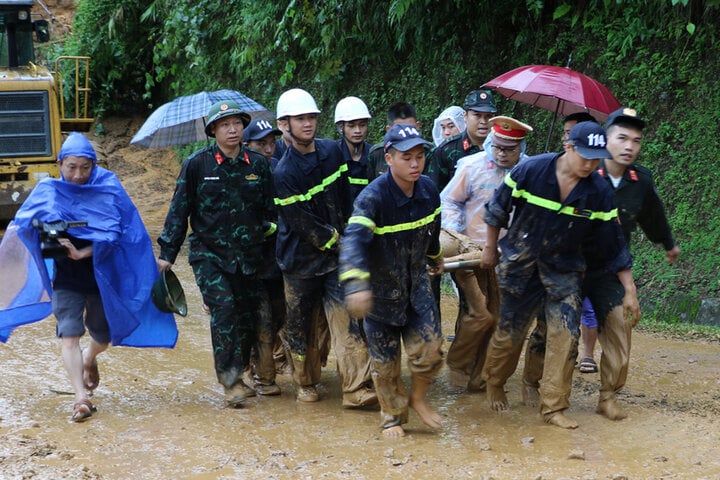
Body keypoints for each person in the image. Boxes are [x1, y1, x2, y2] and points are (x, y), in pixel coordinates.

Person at [0, 132, 178, 422]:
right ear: (60, 164)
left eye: (85, 167)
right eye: (71, 167)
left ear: (94, 165)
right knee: (69, 335)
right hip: (66, 280)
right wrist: (55, 241)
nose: (78, 174)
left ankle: (89, 358)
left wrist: (84, 252)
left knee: (102, 336)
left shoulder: (108, 188)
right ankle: (81, 398)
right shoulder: (48, 190)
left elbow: (125, 233)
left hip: (102, 278)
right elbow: (26, 227)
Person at [480, 121, 640, 429]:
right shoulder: (532, 171)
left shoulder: (598, 191)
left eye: (597, 158)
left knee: (565, 335)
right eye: (585, 156)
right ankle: (495, 381)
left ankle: (553, 406)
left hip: (564, 272)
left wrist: (629, 289)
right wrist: (490, 248)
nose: (591, 164)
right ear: (568, 147)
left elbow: (613, 244)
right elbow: (497, 209)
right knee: (509, 335)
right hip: (520, 266)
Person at [523, 108, 680, 421]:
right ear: (604, 138)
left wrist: (667, 243)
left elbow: (652, 215)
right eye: (621, 137)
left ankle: (608, 396)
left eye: (635, 140)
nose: (629, 146)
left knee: (621, 326)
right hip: (567, 267)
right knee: (553, 330)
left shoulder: (640, 180)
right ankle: (536, 384)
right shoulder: (581, 171)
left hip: (608, 268)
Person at [157, 100, 275, 408]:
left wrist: (268, 237)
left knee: (247, 317)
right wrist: (167, 252)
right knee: (223, 311)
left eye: (237, 123)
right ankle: (230, 380)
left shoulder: (258, 165)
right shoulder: (198, 165)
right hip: (209, 255)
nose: (233, 129)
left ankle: (239, 372)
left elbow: (270, 209)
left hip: (249, 256)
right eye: (225, 125)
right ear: (213, 131)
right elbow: (179, 209)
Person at [272, 88, 376, 407]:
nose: (307, 124)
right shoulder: (283, 173)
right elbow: (303, 224)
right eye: (300, 119)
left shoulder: (333, 153)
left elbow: (345, 198)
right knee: (301, 328)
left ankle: (357, 388)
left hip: (335, 260)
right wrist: (339, 242)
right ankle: (306, 381)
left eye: (311, 118)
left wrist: (353, 234)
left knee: (348, 320)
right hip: (300, 262)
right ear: (283, 124)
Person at [340, 124, 444, 437]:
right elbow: (353, 241)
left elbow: (432, 230)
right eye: (406, 157)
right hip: (380, 294)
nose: (415, 164)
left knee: (431, 349)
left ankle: (419, 398)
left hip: (417, 288)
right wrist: (356, 285)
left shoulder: (428, 190)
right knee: (385, 365)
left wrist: (435, 256)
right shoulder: (372, 198)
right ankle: (392, 417)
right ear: (388, 158)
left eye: (420, 156)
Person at [440, 116, 532, 392]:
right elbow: (450, 201)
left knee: (500, 316)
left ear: (521, 147)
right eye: (498, 147)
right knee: (479, 314)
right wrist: (458, 236)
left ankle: (482, 375)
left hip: (510, 257)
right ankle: (459, 364)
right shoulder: (471, 166)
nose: (502, 154)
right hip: (471, 252)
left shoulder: (530, 171)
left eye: (510, 149)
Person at [240, 117, 287, 395]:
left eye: (271, 143)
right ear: (246, 145)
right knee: (261, 320)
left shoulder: (279, 170)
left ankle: (255, 366)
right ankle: (262, 377)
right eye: (261, 144)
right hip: (250, 262)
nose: (268, 149)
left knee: (279, 316)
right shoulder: (238, 175)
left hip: (279, 259)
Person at [562, 112, 601, 373]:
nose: (567, 135)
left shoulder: (599, 181)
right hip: (555, 256)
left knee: (587, 306)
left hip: (587, 254)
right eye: (566, 132)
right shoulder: (543, 170)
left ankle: (587, 354)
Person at [425, 89, 497, 192]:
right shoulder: (446, 150)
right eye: (477, 115)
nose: (483, 121)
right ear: (465, 116)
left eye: (488, 116)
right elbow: (434, 192)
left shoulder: (501, 148)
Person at [367, 102, 421, 180]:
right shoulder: (377, 153)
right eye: (399, 129)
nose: (405, 134)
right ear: (388, 130)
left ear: (417, 126)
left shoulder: (428, 151)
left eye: (409, 128)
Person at [334, 96, 373, 200]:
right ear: (341, 127)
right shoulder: (332, 155)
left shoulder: (374, 154)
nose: (358, 130)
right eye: (351, 126)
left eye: (362, 125)